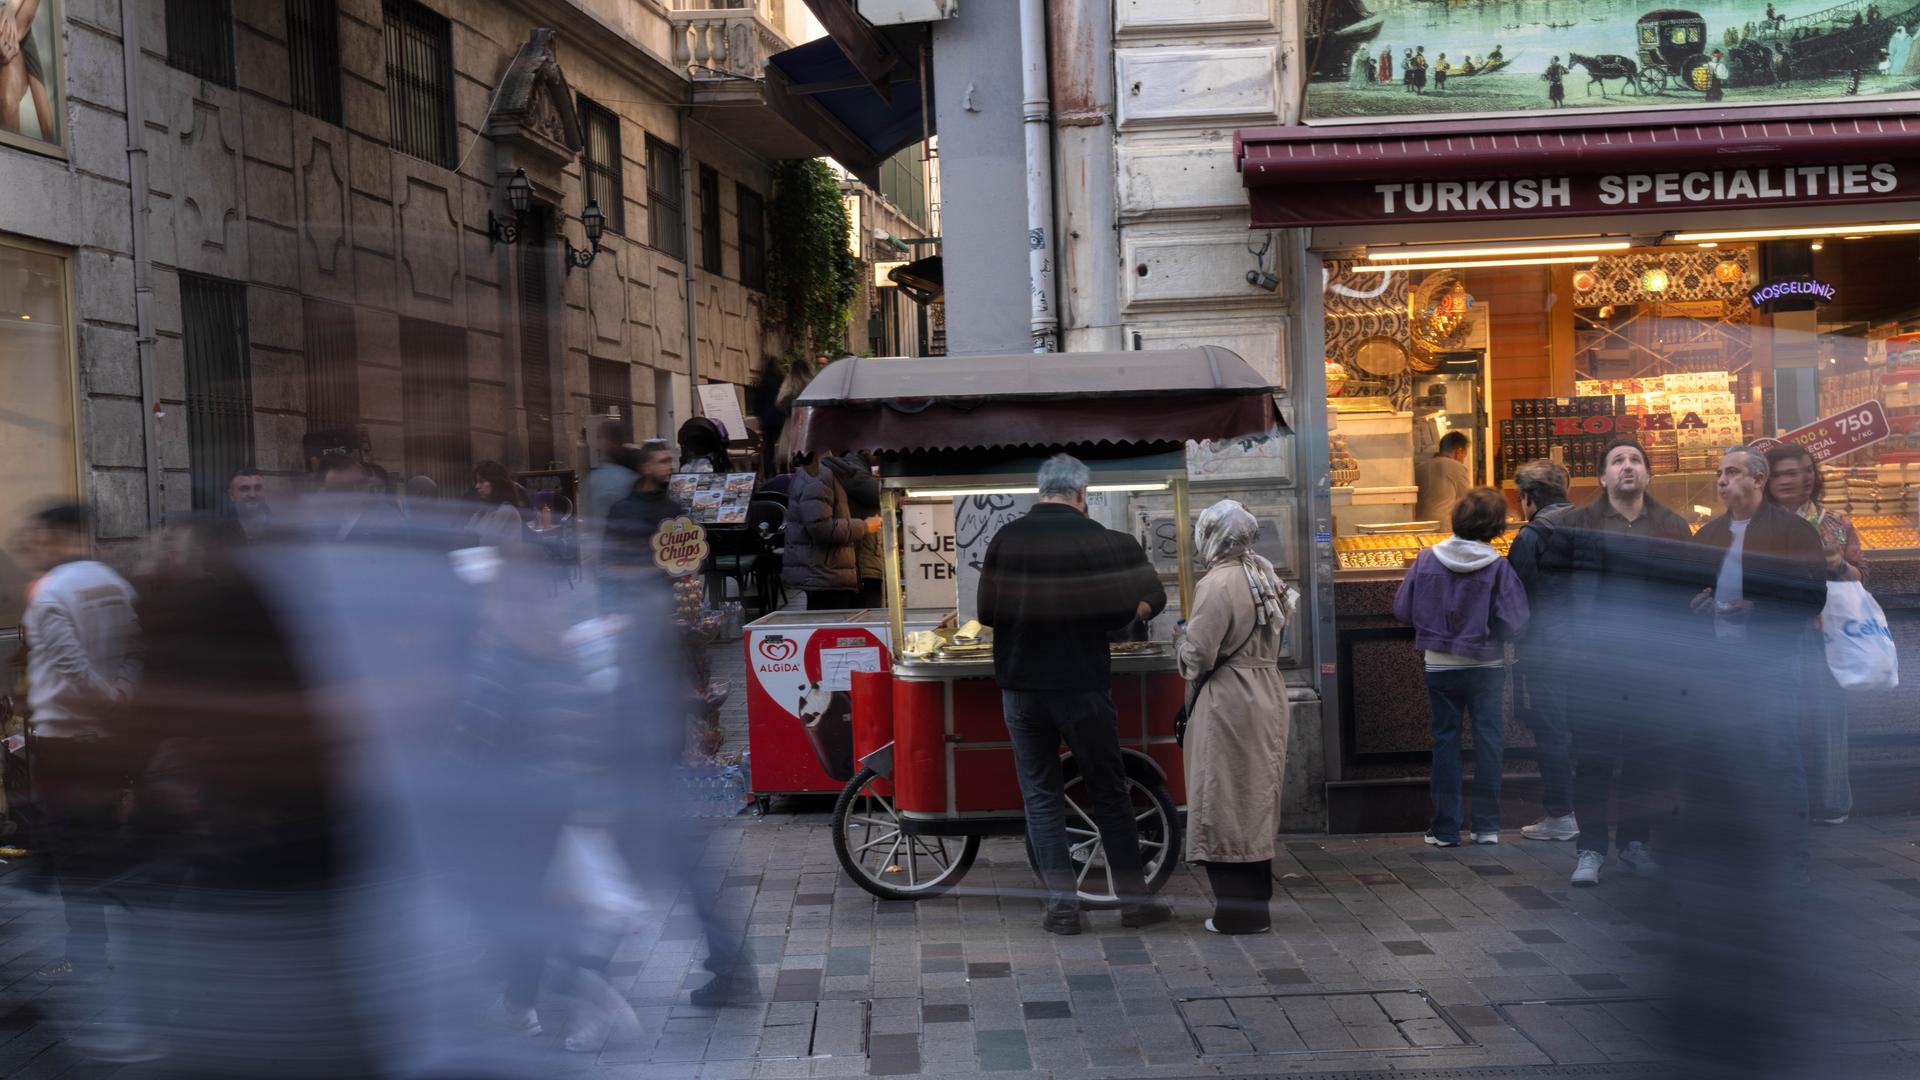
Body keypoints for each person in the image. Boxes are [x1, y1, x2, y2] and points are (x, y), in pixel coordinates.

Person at [976, 454, 1170, 934]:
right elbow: (1126, 609)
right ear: (1082, 493)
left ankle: (1063, 909)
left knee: (1041, 796)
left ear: (1038, 491)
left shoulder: (1006, 538)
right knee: (1109, 790)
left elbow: (987, 613)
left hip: (1021, 687)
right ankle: (1134, 904)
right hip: (1081, 683)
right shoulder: (1101, 540)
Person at [1551, 437, 1693, 887]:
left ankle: (1635, 843)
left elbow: (1686, 590)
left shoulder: (1671, 525)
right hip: (1595, 661)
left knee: (1645, 758)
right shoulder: (1576, 524)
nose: (1627, 467)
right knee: (1593, 757)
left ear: (1648, 474)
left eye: (1635, 460)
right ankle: (1590, 848)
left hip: (1654, 663)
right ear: (1602, 476)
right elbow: (1555, 589)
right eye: (1617, 461)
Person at [14, 504, 141, 985]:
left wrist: (105, 700)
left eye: (39, 533)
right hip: (109, 737)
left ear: (56, 533)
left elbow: (70, 668)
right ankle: (130, 935)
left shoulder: (50, 591)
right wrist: (122, 697)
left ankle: (86, 953)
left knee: (74, 853)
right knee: (105, 839)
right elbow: (135, 650)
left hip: (64, 742)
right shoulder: (114, 582)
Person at [1178, 501, 1295, 935]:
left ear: (1211, 537)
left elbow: (1199, 653)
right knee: (1256, 798)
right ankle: (1256, 908)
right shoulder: (1264, 574)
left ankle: (1234, 913)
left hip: (1229, 699)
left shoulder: (1217, 583)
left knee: (1223, 799)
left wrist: (1181, 643)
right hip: (1267, 690)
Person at [1394, 488, 1529, 848]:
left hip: (1439, 666)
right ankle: (1486, 827)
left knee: (1445, 742)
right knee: (1489, 740)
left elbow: (1403, 609)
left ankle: (1445, 828)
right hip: (1486, 664)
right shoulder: (1498, 566)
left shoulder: (1425, 559)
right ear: (1496, 527)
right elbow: (1516, 620)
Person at [1763, 443, 1859, 825]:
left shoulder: (1836, 522)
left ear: (1813, 476)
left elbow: (1862, 577)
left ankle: (1832, 801)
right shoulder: (1755, 522)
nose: (1792, 480)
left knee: (1828, 717)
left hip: (1826, 634)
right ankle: (1779, 801)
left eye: (1801, 471)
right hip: (1771, 632)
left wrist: (1839, 565)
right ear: (1766, 481)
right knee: (1775, 717)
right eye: (1782, 474)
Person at [1503, 459, 1579, 843]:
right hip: (1595, 648)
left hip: (1548, 651)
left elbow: (1515, 597)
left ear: (1528, 498)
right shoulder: (1593, 525)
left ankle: (1561, 814)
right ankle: (1590, 809)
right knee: (1587, 731)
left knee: (1550, 731)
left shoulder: (1532, 537)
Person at [783, 451, 879, 611]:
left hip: (829, 572)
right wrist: (865, 526)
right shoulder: (818, 475)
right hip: (825, 574)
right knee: (830, 631)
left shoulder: (827, 472)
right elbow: (820, 527)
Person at [602, 441, 679, 601]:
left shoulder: (674, 510)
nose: (670, 467)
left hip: (667, 602)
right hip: (633, 601)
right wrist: (610, 609)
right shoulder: (622, 510)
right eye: (662, 462)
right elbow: (609, 562)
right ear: (646, 468)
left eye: (670, 461)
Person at [822, 452, 884, 608]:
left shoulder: (850, 468)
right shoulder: (851, 469)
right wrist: (865, 526)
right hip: (857, 563)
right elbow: (881, 494)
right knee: (867, 618)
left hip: (853, 562)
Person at [1415, 431, 1472, 526]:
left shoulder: (1420, 468)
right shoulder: (1456, 467)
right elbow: (1467, 501)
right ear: (1459, 451)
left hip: (1420, 525)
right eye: (1464, 456)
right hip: (1444, 527)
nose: (1462, 461)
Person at [466, 461, 526, 544]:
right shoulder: (482, 511)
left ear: (495, 483)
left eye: (481, 481)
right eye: (476, 482)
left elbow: (488, 542)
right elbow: (466, 534)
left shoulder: (506, 510)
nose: (477, 486)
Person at [217, 467, 272, 545]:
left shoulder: (281, 528)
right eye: (244, 489)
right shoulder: (218, 530)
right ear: (231, 494)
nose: (252, 495)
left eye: (258, 488)